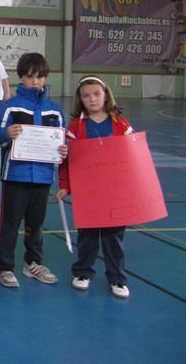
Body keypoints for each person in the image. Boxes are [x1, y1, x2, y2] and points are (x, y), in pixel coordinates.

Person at [0, 52, 67, 288]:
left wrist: (65, 149)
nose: (35, 82)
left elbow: (62, 140)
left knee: (36, 224)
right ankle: (5, 266)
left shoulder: (54, 110)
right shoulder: (9, 107)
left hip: (43, 177)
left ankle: (32, 263)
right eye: (30, 76)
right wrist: (7, 134)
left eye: (40, 77)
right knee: (10, 223)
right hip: (15, 175)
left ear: (45, 78)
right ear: (21, 77)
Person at [56, 75, 134, 299]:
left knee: (114, 238)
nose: (92, 99)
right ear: (80, 99)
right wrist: (64, 185)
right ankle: (82, 272)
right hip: (87, 192)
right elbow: (67, 163)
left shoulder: (121, 124)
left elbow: (133, 157)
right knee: (88, 236)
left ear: (106, 95)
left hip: (114, 192)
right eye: (86, 95)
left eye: (96, 94)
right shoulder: (75, 127)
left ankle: (117, 277)